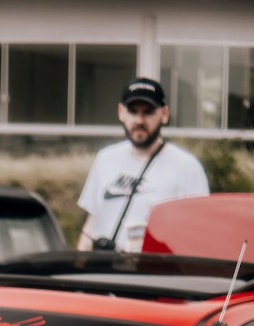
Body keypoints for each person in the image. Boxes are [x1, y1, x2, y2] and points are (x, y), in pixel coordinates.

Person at [77, 77, 208, 253]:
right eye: (133, 111)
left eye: (148, 112)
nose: (139, 120)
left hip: (155, 276)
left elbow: (198, 233)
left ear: (164, 114)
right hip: (104, 273)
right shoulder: (105, 159)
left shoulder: (187, 167)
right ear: (121, 112)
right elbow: (91, 224)